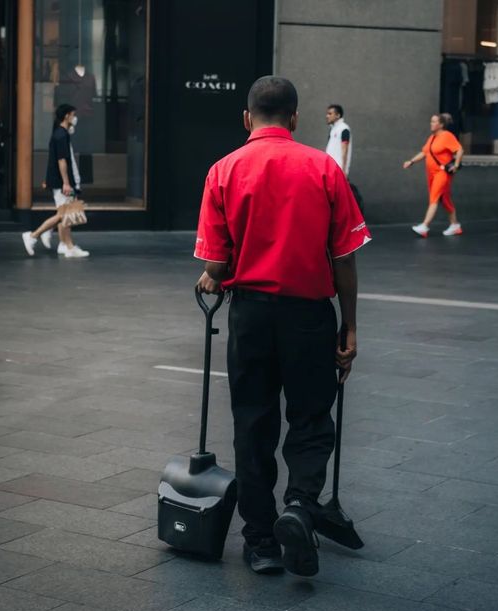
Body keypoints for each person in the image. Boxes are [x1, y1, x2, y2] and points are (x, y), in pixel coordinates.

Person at [194, 76, 371, 577]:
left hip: (250, 315)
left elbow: (219, 264)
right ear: (294, 118)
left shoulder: (223, 171)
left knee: (253, 424)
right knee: (312, 419)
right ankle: (299, 504)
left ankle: (260, 541)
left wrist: (210, 276)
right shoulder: (324, 169)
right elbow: (345, 259)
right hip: (310, 315)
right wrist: (349, 327)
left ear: (246, 118)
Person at [22, 104, 89, 258]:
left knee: (66, 214)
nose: (75, 117)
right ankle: (34, 235)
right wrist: (66, 182)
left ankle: (66, 245)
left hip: (61, 181)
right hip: (62, 183)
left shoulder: (61, 134)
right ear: (66, 116)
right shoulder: (61, 135)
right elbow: (61, 161)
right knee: (63, 214)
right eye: (73, 114)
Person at [403, 113, 464, 238]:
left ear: (441, 124)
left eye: (434, 121)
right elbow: (424, 152)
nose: (431, 124)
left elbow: (459, 150)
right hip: (431, 173)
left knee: (434, 198)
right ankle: (455, 225)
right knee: (444, 199)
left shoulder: (447, 136)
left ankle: (424, 226)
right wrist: (411, 161)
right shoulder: (432, 138)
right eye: (431, 121)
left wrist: (456, 165)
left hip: (442, 173)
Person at [325, 104, 352, 176]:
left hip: (338, 171)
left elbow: (345, 150)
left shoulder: (344, 129)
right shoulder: (332, 129)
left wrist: (343, 171)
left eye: (330, 114)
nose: (327, 116)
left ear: (338, 115)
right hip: (330, 169)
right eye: (327, 114)